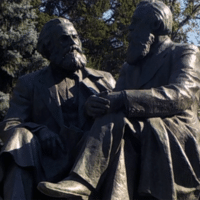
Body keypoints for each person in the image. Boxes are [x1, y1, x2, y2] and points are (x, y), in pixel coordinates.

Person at [38, 1, 200, 200]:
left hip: (177, 129)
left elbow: (181, 95)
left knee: (118, 120)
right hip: (138, 129)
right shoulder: (130, 67)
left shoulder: (184, 52)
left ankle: (82, 181)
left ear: (155, 26)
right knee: (118, 131)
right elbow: (113, 102)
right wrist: (94, 107)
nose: (129, 29)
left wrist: (122, 99)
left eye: (136, 22)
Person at [0, 18, 115, 200]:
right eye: (64, 39)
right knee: (18, 137)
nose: (73, 43)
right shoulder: (30, 83)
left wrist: (100, 110)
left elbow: (121, 120)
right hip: (47, 160)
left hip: (89, 156)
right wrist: (40, 131)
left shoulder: (103, 80)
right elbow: (10, 125)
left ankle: (81, 183)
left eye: (75, 37)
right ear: (48, 46)